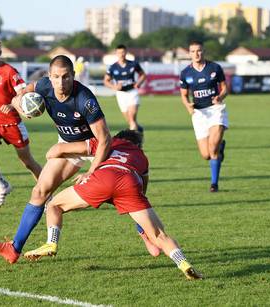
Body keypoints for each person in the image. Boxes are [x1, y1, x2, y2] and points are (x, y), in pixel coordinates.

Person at [0, 55, 160, 264]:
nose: (61, 82)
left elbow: (104, 139)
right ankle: (14, 249)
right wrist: (21, 106)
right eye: (56, 77)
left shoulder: (85, 99)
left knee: (127, 193)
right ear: (49, 77)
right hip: (70, 147)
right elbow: (19, 94)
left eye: (66, 77)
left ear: (73, 76)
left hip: (96, 148)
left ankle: (145, 233)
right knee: (40, 191)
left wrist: (92, 171)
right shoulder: (43, 86)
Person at [23, 130, 202, 280]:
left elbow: (58, 150)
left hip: (103, 178)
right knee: (160, 235)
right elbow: (143, 189)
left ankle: (51, 243)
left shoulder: (108, 142)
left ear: (118, 137)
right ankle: (184, 264)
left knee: (54, 205)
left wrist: (53, 155)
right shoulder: (142, 157)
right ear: (138, 145)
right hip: (129, 183)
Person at [0, 34, 42, 208]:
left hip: (12, 123)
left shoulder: (9, 72)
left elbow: (23, 92)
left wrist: (12, 105)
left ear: (1, 51)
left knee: (27, 162)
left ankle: (45, 193)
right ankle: (2, 185)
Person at [179, 40, 228, 193]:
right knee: (206, 155)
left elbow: (225, 88)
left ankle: (214, 184)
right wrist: (188, 106)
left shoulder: (215, 68)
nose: (196, 54)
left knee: (212, 150)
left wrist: (220, 96)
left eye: (199, 50)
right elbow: (184, 95)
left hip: (215, 110)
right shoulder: (185, 73)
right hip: (199, 114)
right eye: (193, 51)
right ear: (189, 54)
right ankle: (220, 148)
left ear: (203, 51)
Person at [104, 44, 146, 133]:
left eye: (123, 52)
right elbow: (106, 81)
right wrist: (114, 86)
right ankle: (138, 128)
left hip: (132, 92)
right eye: (119, 52)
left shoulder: (133, 64)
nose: (121, 54)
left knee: (131, 118)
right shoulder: (112, 67)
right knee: (130, 121)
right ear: (116, 53)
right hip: (121, 95)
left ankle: (134, 141)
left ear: (126, 52)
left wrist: (138, 83)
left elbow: (143, 75)